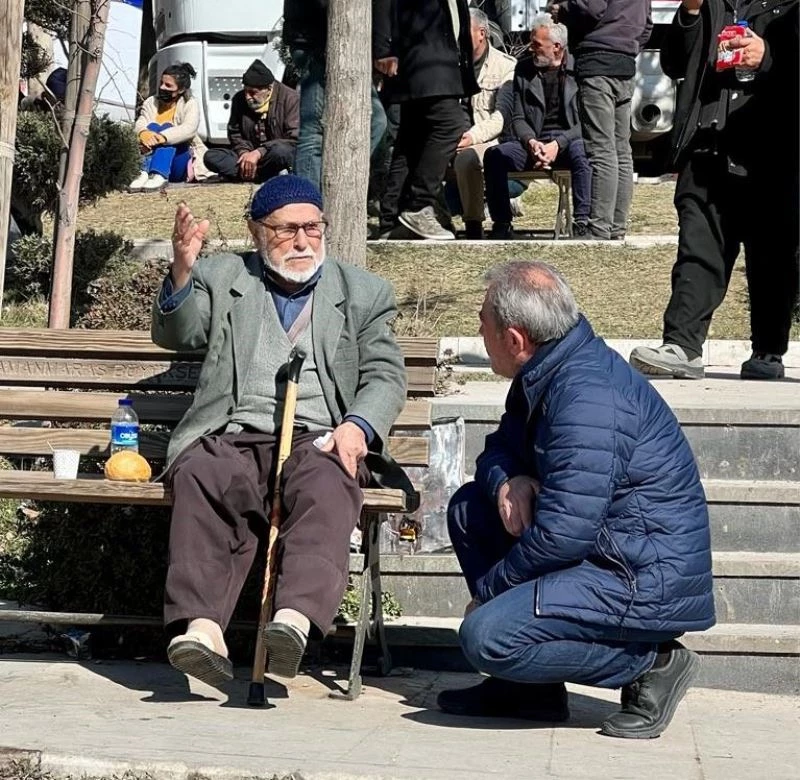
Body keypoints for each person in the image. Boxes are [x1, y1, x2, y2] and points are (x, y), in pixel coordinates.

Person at [438, 261, 715, 738]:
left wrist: (490, 594)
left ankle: (654, 662)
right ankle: (528, 690)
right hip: (599, 551)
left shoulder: (585, 396)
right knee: (472, 509)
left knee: (486, 637)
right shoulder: (551, 366)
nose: (479, 335)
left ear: (515, 339)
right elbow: (498, 449)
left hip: (633, 573)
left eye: (482, 324)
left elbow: (564, 535)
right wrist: (508, 481)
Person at [151, 175, 407, 687]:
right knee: (200, 473)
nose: (301, 240)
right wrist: (182, 270)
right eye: (286, 229)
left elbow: (385, 374)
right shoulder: (223, 277)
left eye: (312, 227)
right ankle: (203, 630)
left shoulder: (363, 293)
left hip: (318, 435)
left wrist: (357, 427)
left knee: (330, 482)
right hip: (235, 432)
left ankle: (293, 622)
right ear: (256, 231)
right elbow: (179, 335)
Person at [629, 0, 799, 380]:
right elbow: (673, 62)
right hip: (707, 145)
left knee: (771, 256)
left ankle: (768, 351)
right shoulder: (711, 5)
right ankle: (682, 346)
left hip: (771, 152)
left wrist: (768, 56)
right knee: (696, 251)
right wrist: (689, 15)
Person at [375, 0, 479, 240]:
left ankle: (392, 219)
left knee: (412, 138)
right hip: (423, 63)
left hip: (438, 63)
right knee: (450, 124)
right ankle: (419, 205)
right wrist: (382, 49)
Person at [482, 14, 592, 239]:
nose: (531, 49)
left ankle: (582, 222)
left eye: (537, 45)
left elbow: (588, 123)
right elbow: (518, 118)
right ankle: (502, 223)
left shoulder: (580, 70)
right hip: (532, 141)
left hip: (568, 140)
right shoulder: (523, 70)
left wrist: (557, 145)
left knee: (583, 153)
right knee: (495, 156)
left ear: (557, 47)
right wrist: (532, 142)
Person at [559, 0, 652, 240]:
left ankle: (599, 229)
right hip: (625, 63)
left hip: (596, 62)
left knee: (601, 149)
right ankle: (616, 228)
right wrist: (626, 46)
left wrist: (563, 10)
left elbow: (592, 8)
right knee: (622, 150)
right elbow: (648, 25)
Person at [282, 0, 388, 190]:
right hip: (317, 39)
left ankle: (334, 183)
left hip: (329, 37)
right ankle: (309, 198)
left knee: (376, 121)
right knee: (314, 131)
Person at [452, 8, 517, 240]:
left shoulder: (506, 67)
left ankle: (473, 226)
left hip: (488, 140)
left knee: (467, 158)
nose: (458, 36)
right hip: (454, 137)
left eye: (464, 31)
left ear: (482, 33)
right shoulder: (453, 65)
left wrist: (472, 136)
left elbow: (501, 117)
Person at [204, 60, 299, 183]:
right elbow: (235, 134)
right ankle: (255, 174)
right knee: (211, 156)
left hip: (273, 155)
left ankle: (257, 174)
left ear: (268, 89)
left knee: (281, 152)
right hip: (250, 158)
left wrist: (260, 152)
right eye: (246, 91)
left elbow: (293, 139)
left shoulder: (290, 99)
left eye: (253, 92)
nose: (248, 97)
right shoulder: (239, 99)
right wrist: (244, 153)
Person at [129, 63, 211, 192]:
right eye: (161, 83)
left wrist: (162, 137)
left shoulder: (189, 104)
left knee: (167, 127)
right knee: (152, 126)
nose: (162, 87)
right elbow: (141, 122)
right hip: (149, 153)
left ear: (181, 89)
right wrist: (144, 134)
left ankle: (159, 174)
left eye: (168, 85)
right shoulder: (151, 102)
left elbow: (189, 129)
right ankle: (143, 172)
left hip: (178, 161)